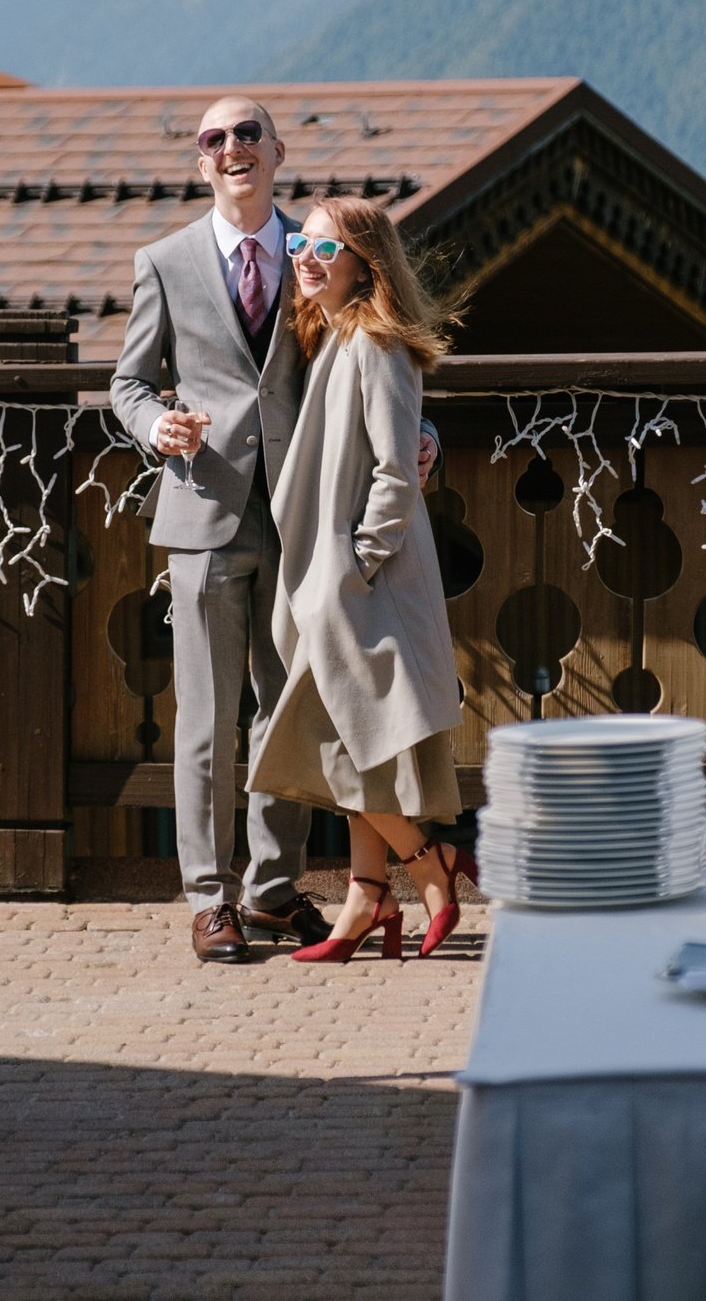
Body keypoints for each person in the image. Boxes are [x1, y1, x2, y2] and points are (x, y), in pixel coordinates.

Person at [111, 96, 435, 964]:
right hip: (203, 511)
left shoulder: (317, 249)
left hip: (307, 520)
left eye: (246, 133)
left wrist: (421, 436)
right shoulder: (164, 261)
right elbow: (130, 384)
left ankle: (270, 889)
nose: (231, 148)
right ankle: (207, 899)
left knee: (290, 705)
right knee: (208, 719)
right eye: (213, 139)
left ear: (277, 151)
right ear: (200, 163)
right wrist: (154, 429)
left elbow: (375, 349)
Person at [251, 197, 473, 963]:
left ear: (362, 261)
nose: (306, 256)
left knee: (336, 732)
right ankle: (366, 897)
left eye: (324, 245)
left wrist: (356, 564)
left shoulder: (376, 343)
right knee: (349, 737)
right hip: (329, 577)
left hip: (355, 581)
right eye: (299, 243)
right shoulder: (334, 333)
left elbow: (392, 469)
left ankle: (428, 866)